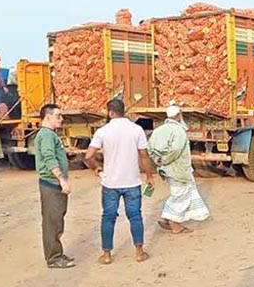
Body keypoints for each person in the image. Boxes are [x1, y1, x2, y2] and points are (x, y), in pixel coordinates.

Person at [85, 99, 154, 265]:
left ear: (110, 113)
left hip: (110, 183)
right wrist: (149, 176)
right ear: (124, 112)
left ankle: (107, 254)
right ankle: (139, 252)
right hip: (132, 182)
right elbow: (144, 156)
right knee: (135, 216)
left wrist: (97, 168)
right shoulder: (136, 130)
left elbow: (88, 156)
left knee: (108, 217)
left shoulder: (103, 131)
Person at [148, 102, 210, 234]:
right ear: (178, 116)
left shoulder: (158, 130)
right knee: (180, 195)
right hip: (179, 169)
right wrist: (165, 159)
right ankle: (176, 225)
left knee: (180, 193)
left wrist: (158, 160)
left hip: (166, 169)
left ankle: (166, 217)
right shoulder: (178, 131)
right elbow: (176, 149)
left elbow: (150, 148)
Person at [34, 103, 74, 268]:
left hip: (53, 183)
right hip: (51, 184)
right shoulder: (46, 135)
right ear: (48, 116)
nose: (61, 119)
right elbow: (49, 157)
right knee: (52, 222)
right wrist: (61, 179)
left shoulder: (50, 135)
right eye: (58, 115)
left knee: (57, 220)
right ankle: (53, 258)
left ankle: (57, 253)